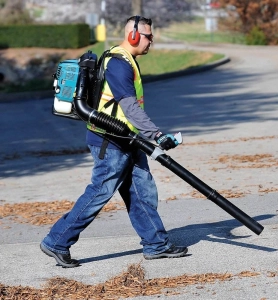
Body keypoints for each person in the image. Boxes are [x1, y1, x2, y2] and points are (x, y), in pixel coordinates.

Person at [40, 15, 188, 268]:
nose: (152, 41)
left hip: (128, 139)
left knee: (142, 192)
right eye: (148, 36)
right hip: (110, 142)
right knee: (99, 193)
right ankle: (57, 241)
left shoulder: (126, 59)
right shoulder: (119, 64)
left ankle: (156, 244)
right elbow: (129, 107)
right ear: (133, 35)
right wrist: (157, 135)